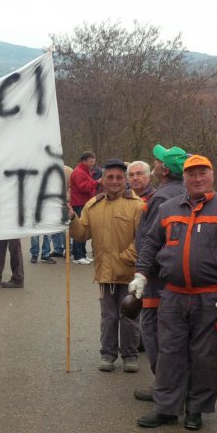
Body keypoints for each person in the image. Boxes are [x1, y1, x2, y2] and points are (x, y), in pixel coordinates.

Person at [130, 154, 217, 430]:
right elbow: (151, 244)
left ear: (212, 176)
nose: (197, 179)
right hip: (172, 295)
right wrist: (141, 273)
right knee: (169, 352)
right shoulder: (168, 208)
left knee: (205, 355)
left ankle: (196, 409)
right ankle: (166, 408)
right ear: (183, 178)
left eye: (202, 174)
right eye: (192, 174)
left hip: (210, 297)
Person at [68, 158, 144, 372]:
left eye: (119, 177)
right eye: (110, 177)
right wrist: (72, 218)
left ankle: (130, 355)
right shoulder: (93, 206)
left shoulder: (137, 206)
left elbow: (144, 239)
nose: (114, 181)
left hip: (130, 274)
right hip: (104, 273)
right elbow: (82, 235)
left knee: (129, 316)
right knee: (108, 317)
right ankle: (108, 354)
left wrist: (126, 257)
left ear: (125, 180)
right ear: (102, 180)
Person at [132, 144, 188, 402]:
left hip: (157, 278)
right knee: (177, 333)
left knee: (153, 331)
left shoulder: (161, 198)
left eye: (158, 161)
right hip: (177, 276)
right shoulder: (187, 191)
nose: (154, 163)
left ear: (164, 170)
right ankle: (180, 384)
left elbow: (151, 239)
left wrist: (143, 272)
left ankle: (163, 386)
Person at [70, 151, 100, 265]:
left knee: (84, 229)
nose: (93, 163)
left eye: (94, 161)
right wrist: (96, 183)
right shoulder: (78, 172)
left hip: (84, 203)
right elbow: (83, 187)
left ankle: (81, 253)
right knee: (80, 228)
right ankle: (78, 256)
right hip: (79, 203)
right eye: (91, 161)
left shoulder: (85, 171)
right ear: (84, 161)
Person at [51, 165, 73, 257]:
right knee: (59, 226)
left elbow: (71, 187)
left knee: (60, 226)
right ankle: (63, 249)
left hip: (57, 201)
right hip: (59, 201)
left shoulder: (66, 171)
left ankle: (63, 249)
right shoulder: (69, 170)